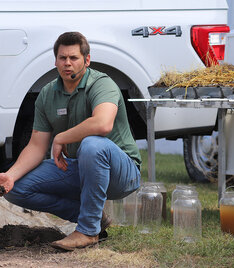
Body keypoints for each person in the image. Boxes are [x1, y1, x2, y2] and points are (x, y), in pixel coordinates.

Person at [0, 31, 141, 251]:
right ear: (55, 61)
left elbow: (103, 124)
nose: (67, 63)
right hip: (80, 167)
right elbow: (36, 146)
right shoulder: (47, 94)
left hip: (122, 173)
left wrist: (62, 137)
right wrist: (10, 176)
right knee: (17, 189)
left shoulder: (102, 84)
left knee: (92, 144)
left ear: (86, 60)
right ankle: (93, 218)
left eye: (73, 58)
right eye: (62, 58)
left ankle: (87, 232)